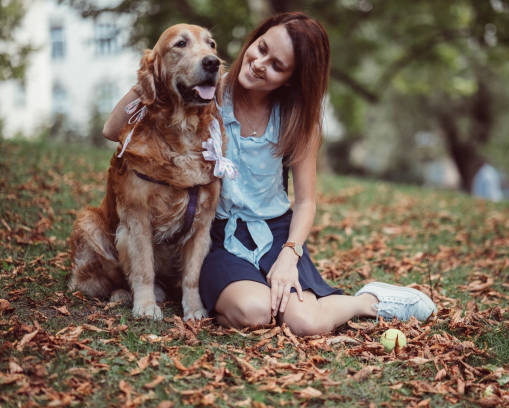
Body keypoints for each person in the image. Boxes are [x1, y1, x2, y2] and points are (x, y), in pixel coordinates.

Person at [102, 12, 436, 336]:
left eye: (276, 66)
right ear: (254, 39)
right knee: (253, 311)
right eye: (261, 49)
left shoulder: (296, 121)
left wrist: (290, 255)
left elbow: (306, 203)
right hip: (217, 237)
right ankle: (260, 292)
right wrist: (151, 72)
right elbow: (112, 128)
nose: (260, 64)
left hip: (276, 234)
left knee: (308, 324)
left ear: (291, 78)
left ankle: (368, 301)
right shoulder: (210, 92)